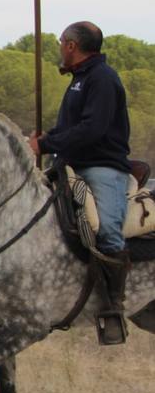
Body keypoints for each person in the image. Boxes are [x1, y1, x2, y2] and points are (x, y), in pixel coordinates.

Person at [29, 21, 132, 345]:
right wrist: (48, 138)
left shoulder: (102, 79)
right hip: (70, 164)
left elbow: (93, 129)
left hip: (101, 167)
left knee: (107, 230)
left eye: (62, 42)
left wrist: (46, 145)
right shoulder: (80, 80)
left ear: (72, 46)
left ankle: (113, 306)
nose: (60, 47)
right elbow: (71, 128)